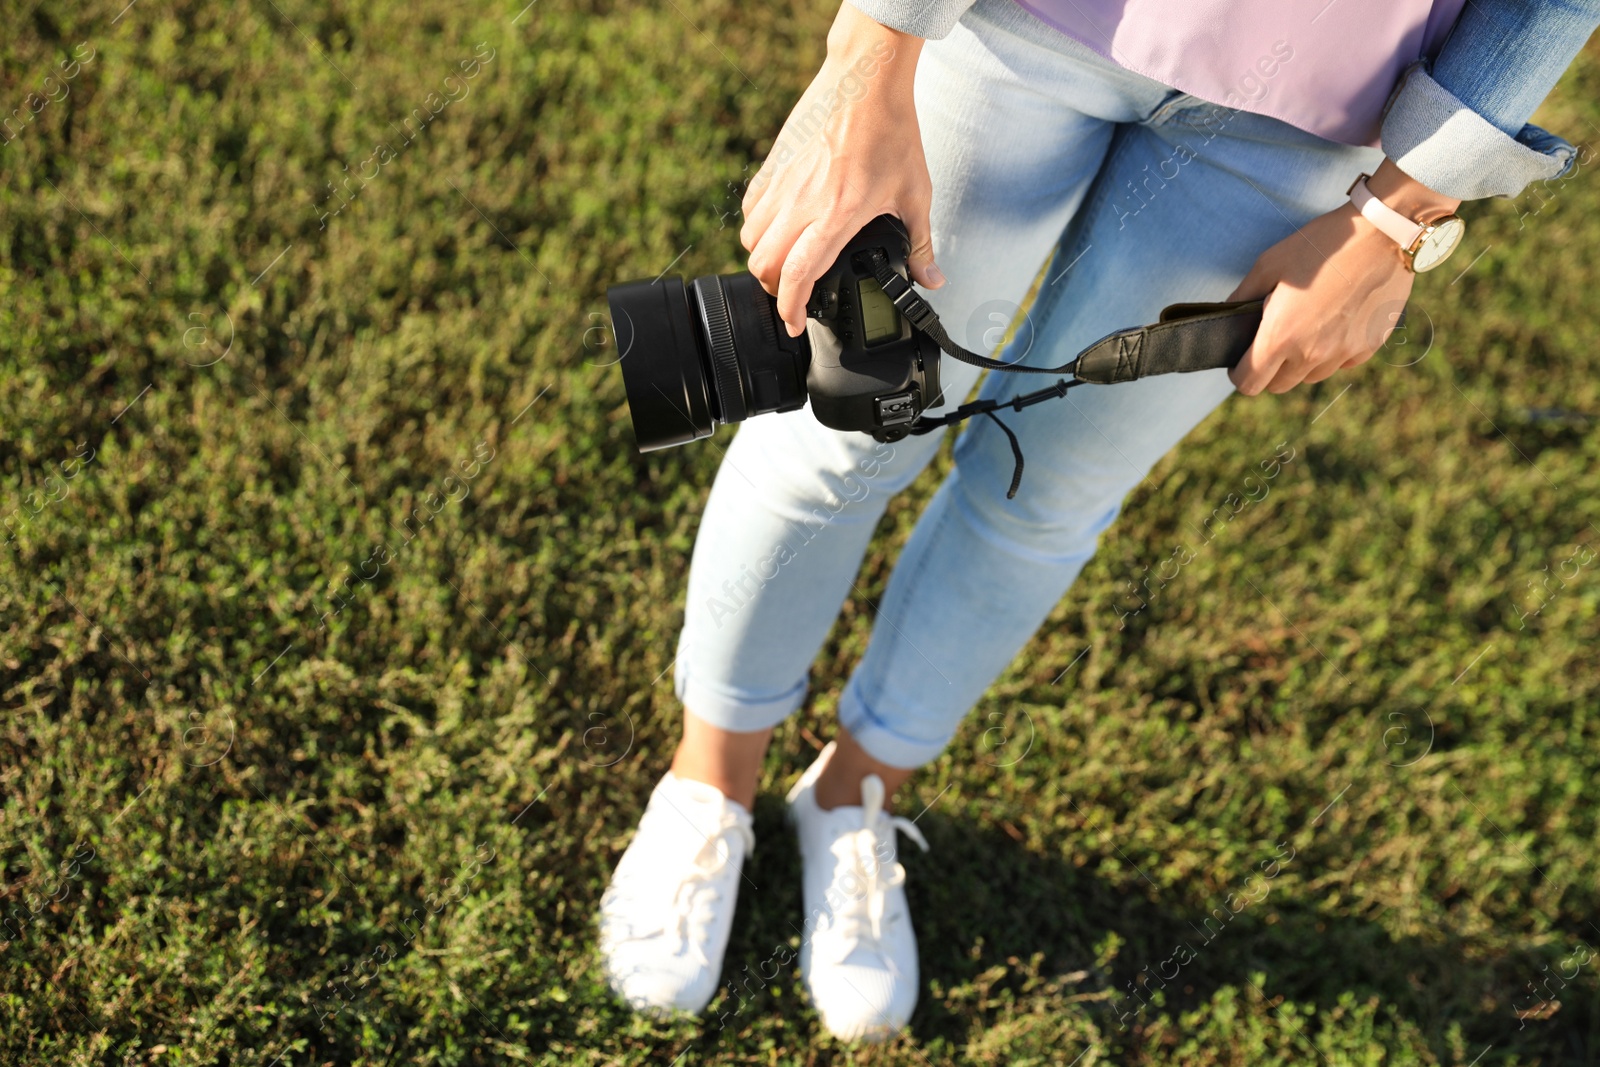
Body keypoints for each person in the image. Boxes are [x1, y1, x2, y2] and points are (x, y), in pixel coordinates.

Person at [598, 0, 1600, 1042]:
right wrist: (873, 50)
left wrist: (1400, 211)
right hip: (1012, 29)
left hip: (1313, 108)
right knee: (844, 431)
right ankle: (709, 786)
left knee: (1050, 494)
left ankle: (851, 795)